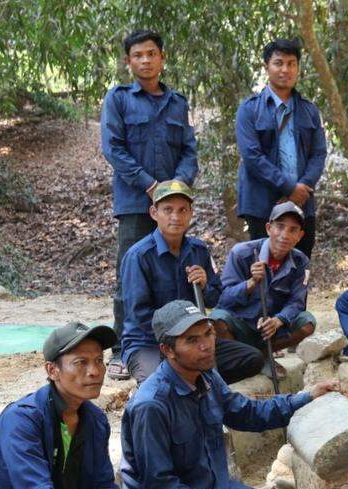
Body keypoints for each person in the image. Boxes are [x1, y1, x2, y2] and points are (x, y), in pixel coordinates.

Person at [120, 301, 339, 489]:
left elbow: (246, 412)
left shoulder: (207, 376)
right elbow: (160, 485)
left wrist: (305, 397)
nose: (206, 345)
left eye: (208, 334)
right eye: (191, 340)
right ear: (167, 350)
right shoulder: (151, 405)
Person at [0, 322, 198, 489]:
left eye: (99, 361)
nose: (95, 371)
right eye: (80, 363)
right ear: (52, 370)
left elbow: (103, 487)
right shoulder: (22, 420)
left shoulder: (95, 419)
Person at [101, 29, 199, 380]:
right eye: (138, 55)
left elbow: (189, 150)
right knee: (129, 273)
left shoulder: (179, 104)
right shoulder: (118, 99)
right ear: (128, 61)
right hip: (135, 203)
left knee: (175, 270)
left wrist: (175, 189)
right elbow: (114, 149)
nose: (145, 60)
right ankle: (121, 349)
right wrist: (152, 186)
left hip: (173, 205)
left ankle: (173, 339)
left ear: (162, 58)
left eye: (151, 54)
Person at [119, 179, 264, 384]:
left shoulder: (198, 250)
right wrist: (181, 337)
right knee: (159, 385)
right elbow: (139, 317)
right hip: (149, 343)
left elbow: (215, 298)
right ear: (154, 213)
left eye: (182, 210)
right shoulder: (139, 256)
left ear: (190, 213)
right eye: (168, 210)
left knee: (252, 358)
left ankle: (198, 381)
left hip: (193, 341)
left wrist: (205, 285)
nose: (176, 217)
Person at [235, 38, 327, 257]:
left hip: (302, 205)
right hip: (261, 204)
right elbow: (252, 156)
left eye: (291, 63)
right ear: (267, 66)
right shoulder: (249, 110)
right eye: (278, 63)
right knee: (263, 269)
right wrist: (288, 187)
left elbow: (319, 153)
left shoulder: (309, 111)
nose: (285, 69)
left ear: (297, 68)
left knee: (299, 266)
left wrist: (303, 186)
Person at [212, 201, 316, 353]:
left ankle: (264, 355)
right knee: (217, 319)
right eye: (280, 226)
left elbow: (297, 303)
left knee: (307, 322)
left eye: (293, 230)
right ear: (268, 228)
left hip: (272, 330)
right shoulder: (241, 253)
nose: (285, 235)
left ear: (299, 236)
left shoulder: (301, 262)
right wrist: (251, 283)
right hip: (241, 324)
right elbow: (223, 299)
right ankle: (242, 356)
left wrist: (278, 320)